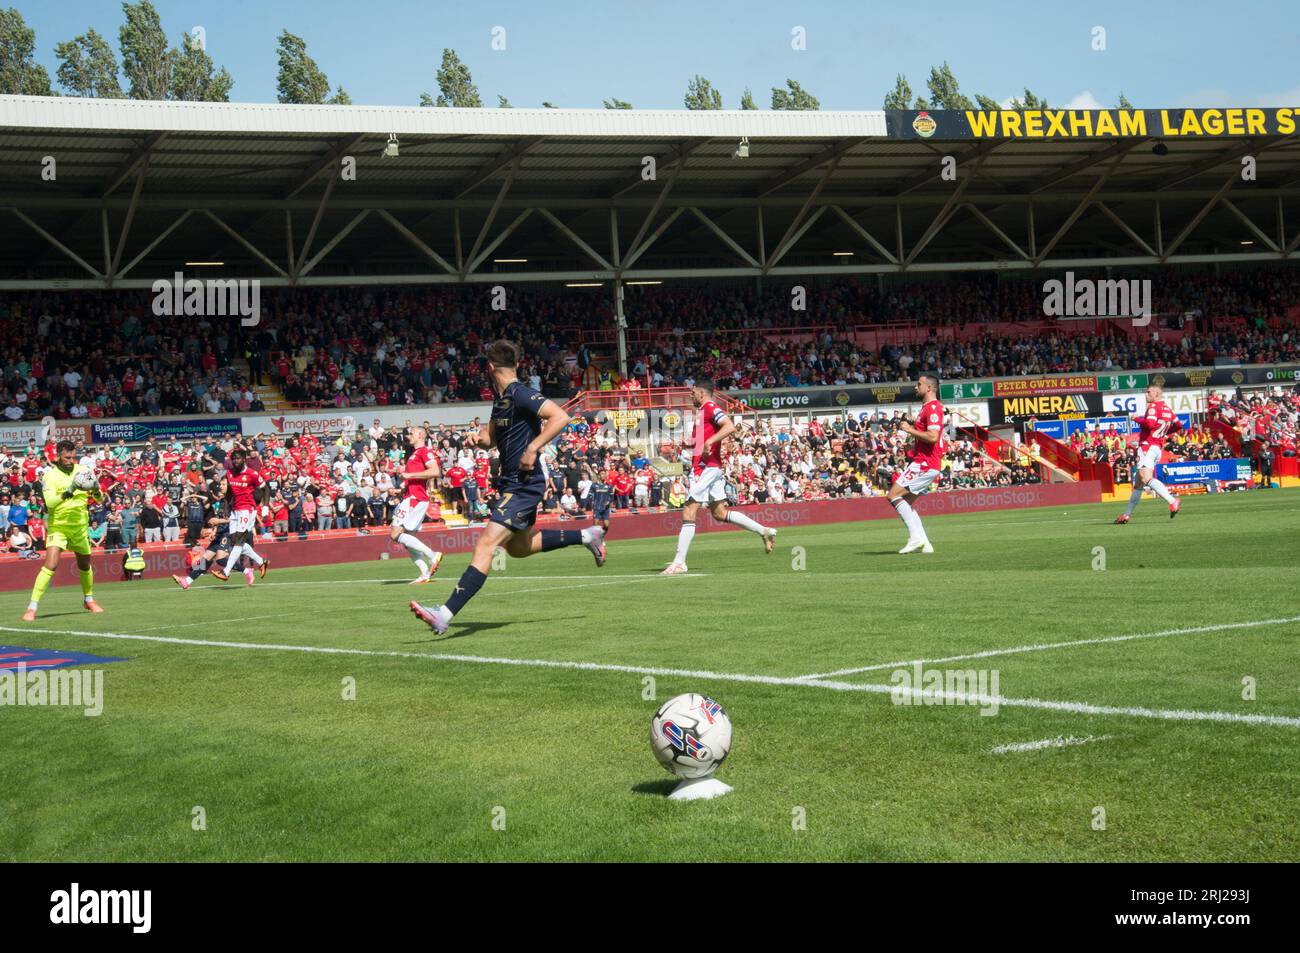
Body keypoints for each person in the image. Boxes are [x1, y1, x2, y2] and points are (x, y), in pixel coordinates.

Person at [411, 340, 606, 635]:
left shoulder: (520, 393)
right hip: (511, 482)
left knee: (486, 544)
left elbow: (561, 417)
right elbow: (491, 438)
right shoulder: (500, 399)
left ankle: (445, 614)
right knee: (518, 547)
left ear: (490, 367)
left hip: (525, 484)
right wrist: (478, 440)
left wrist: (533, 448)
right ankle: (586, 535)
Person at [662, 377, 776, 575]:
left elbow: (729, 426)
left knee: (689, 509)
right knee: (719, 513)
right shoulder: (701, 412)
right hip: (711, 466)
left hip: (706, 467)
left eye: (693, 391)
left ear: (701, 392)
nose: (691, 395)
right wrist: (690, 444)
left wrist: (709, 442)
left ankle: (679, 562)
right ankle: (764, 531)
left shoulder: (710, 407)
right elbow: (704, 440)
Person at [22, 440, 104, 621]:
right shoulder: (50, 476)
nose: (71, 460)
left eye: (74, 457)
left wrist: (97, 490)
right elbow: (50, 502)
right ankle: (32, 607)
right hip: (58, 527)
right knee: (51, 564)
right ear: (58, 456)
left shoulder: (83, 471)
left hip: (80, 527)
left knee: (84, 565)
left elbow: (99, 500)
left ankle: (88, 599)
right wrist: (71, 489)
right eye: (67, 457)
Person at [887, 373, 945, 554]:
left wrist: (909, 429)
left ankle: (915, 538)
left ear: (929, 388)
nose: (915, 387)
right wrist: (915, 423)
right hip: (926, 462)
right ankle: (925, 543)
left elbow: (933, 437)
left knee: (893, 495)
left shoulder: (932, 408)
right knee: (904, 501)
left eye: (918, 384)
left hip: (925, 463)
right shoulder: (926, 408)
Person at [1115, 383, 1183, 523]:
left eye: (1149, 392)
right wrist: (1163, 433)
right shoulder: (1168, 410)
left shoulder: (1153, 406)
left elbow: (1150, 424)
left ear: (1157, 394)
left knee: (1146, 478)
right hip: (1157, 447)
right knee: (1139, 483)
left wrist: (1136, 419)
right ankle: (1126, 514)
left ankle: (1172, 501)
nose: (1147, 395)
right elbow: (1179, 425)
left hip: (1147, 446)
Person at [390, 426, 444, 584]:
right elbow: (413, 479)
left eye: (411, 433)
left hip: (416, 498)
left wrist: (410, 474)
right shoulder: (413, 454)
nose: (409, 436)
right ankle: (425, 574)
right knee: (408, 540)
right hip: (410, 496)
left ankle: (433, 555)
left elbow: (435, 471)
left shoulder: (425, 451)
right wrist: (401, 486)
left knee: (395, 534)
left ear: (420, 434)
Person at [211, 447, 270, 581]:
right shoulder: (229, 473)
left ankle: (225, 572)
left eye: (238, 458)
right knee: (236, 542)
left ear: (244, 459)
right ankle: (261, 562)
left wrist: (265, 507)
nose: (235, 461)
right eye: (233, 459)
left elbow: (265, 488)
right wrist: (226, 506)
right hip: (235, 511)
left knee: (238, 542)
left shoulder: (252, 474)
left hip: (247, 509)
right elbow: (230, 491)